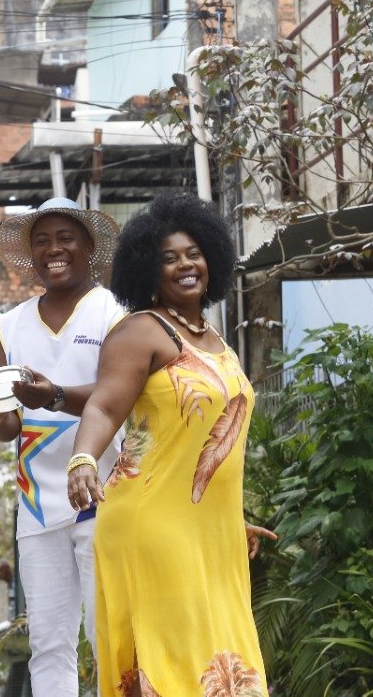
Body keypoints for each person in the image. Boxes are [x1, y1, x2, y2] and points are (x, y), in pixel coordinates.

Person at [66, 192, 277, 696]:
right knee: (178, 655)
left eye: (193, 253)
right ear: (147, 270)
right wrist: (82, 458)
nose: (185, 264)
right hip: (152, 523)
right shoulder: (141, 332)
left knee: (216, 652)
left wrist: (226, 514)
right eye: (168, 258)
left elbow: (206, 442)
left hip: (207, 530)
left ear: (212, 258)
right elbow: (102, 406)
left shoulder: (214, 337)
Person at [0, 197, 121, 697]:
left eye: (65, 238)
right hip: (36, 504)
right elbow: (6, 426)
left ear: (88, 247)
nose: (53, 249)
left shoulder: (117, 312)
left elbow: (117, 393)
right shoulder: (9, 323)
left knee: (108, 634)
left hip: (104, 493)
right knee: (48, 642)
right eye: (41, 240)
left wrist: (56, 396)